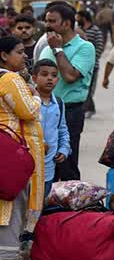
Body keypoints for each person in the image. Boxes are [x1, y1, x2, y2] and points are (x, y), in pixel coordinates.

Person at [0, 37, 45, 260]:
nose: (24, 55)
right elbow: (28, 111)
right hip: (12, 147)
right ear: (4, 56)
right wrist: (35, 95)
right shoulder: (9, 78)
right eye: (18, 52)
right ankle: (7, 258)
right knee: (14, 200)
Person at [39, 3, 95, 182]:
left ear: (67, 23)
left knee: (67, 165)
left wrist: (58, 49)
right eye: (46, 20)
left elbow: (70, 76)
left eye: (52, 21)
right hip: (45, 110)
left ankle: (70, 208)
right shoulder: (46, 47)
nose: (47, 25)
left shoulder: (85, 48)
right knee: (46, 164)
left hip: (70, 111)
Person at [34, 60, 70, 190]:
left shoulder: (59, 104)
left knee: (43, 204)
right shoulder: (29, 102)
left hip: (49, 168)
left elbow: (62, 130)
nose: (49, 78)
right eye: (44, 74)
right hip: (30, 166)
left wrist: (64, 149)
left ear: (58, 80)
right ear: (34, 78)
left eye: (54, 76)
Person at [77, 9, 106, 118]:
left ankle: (89, 108)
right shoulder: (78, 30)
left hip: (93, 65)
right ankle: (87, 108)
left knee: (88, 87)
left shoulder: (95, 30)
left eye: (78, 17)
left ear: (84, 18)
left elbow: (99, 46)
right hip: (79, 65)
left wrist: (91, 60)